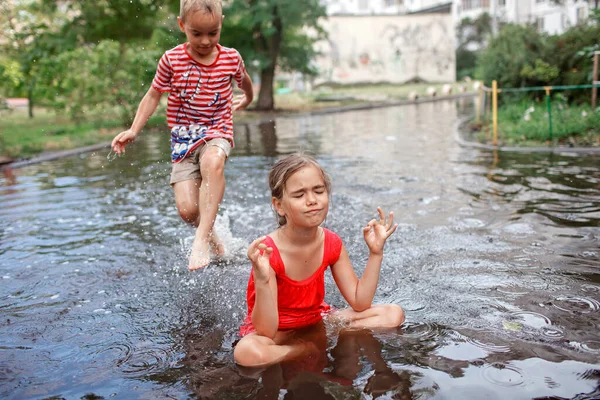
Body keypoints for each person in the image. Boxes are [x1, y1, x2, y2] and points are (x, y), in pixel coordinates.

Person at [111, 0, 254, 270]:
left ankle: (200, 241)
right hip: (183, 140)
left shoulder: (230, 58)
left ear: (221, 22)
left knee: (214, 161)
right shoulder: (172, 60)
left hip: (216, 131)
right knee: (188, 211)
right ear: (181, 26)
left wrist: (247, 97)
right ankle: (213, 239)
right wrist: (134, 129)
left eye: (213, 33)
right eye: (196, 33)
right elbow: (153, 94)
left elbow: (244, 80)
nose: (205, 40)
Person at [233, 153, 405, 368]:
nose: (312, 200)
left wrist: (376, 253)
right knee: (247, 353)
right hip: (277, 333)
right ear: (279, 206)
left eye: (319, 191)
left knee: (392, 314)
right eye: (299, 195)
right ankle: (302, 348)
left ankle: (315, 339)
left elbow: (360, 302)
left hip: (316, 321)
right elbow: (266, 330)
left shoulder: (332, 242)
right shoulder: (268, 252)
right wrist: (261, 277)